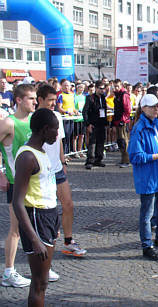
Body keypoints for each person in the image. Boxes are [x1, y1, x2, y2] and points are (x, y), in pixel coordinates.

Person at [12, 108, 60, 306]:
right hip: (36, 217)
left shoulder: (40, 151)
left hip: (47, 215)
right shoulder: (27, 157)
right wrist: (34, 239)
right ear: (44, 129)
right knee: (39, 282)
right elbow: (17, 201)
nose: (57, 135)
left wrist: (55, 221)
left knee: (43, 281)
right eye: (55, 130)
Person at [37, 85, 87, 258]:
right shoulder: (34, 119)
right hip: (41, 172)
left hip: (57, 168)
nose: (53, 103)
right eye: (50, 100)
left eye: (54, 99)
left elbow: (59, 141)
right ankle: (41, 242)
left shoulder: (57, 116)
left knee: (68, 204)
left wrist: (63, 161)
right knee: (45, 209)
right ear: (40, 100)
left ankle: (68, 240)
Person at [128, 94, 158, 261]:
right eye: (153, 106)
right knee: (147, 212)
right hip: (148, 175)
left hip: (157, 172)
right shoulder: (139, 128)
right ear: (143, 108)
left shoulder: (155, 123)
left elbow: (156, 148)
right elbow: (135, 157)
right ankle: (147, 245)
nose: (157, 108)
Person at [0, 84, 36, 287]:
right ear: (19, 100)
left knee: (37, 227)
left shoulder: (34, 120)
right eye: (31, 98)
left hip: (36, 183)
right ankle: (8, 272)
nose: (34, 102)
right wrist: (0, 174)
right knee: (15, 229)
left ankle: (41, 267)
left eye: (35, 98)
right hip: (16, 184)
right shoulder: (8, 123)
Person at [82, 80, 108, 170]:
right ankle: (90, 161)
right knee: (92, 143)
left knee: (101, 141)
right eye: (100, 88)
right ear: (96, 88)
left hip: (102, 123)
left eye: (103, 88)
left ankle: (98, 159)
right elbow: (85, 112)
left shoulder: (103, 98)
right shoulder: (90, 98)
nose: (102, 90)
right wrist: (88, 124)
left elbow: (104, 110)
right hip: (93, 124)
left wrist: (106, 123)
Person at [113, 79, 131, 168]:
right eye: (115, 86)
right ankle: (123, 159)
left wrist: (123, 120)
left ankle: (126, 160)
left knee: (124, 141)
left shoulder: (124, 95)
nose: (116, 88)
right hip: (118, 120)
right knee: (120, 141)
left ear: (121, 86)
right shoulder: (117, 95)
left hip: (122, 122)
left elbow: (127, 109)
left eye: (117, 86)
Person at [56, 79, 76, 155]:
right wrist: (67, 112)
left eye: (68, 85)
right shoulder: (61, 95)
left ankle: (67, 153)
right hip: (64, 118)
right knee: (64, 136)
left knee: (69, 136)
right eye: (65, 85)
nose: (67, 87)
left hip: (71, 118)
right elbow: (59, 108)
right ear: (62, 86)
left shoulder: (72, 95)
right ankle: (63, 154)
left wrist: (75, 111)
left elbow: (73, 107)